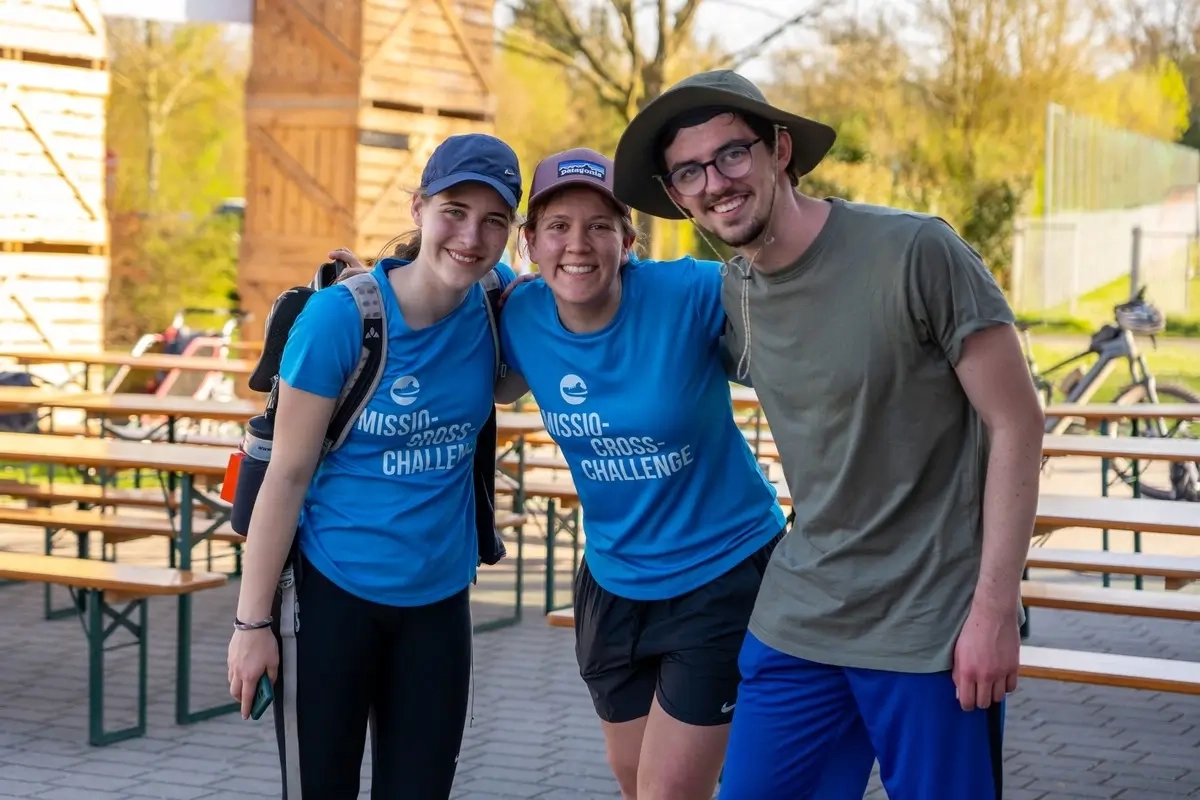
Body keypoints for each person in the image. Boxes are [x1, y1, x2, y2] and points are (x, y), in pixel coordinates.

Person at [610, 71, 1046, 799]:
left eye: (732, 155)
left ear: (781, 149)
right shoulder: (736, 293)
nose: (715, 182)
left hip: (930, 627)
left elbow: (1018, 421)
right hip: (799, 619)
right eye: (689, 171)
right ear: (678, 195)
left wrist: (996, 610)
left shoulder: (915, 252)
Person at [225, 133, 525, 800]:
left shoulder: (497, 302)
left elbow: (520, 375)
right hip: (332, 600)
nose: (472, 236)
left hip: (439, 606)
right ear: (419, 208)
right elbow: (287, 477)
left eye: (494, 220)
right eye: (454, 210)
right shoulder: (340, 321)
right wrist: (251, 626)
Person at [496, 147, 791, 800]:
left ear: (628, 240)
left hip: (721, 571)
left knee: (668, 794)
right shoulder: (519, 316)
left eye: (599, 225)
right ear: (532, 245)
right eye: (558, 226)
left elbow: (794, 306)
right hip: (613, 582)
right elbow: (446, 309)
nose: (579, 244)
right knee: (637, 786)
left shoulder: (685, 293)